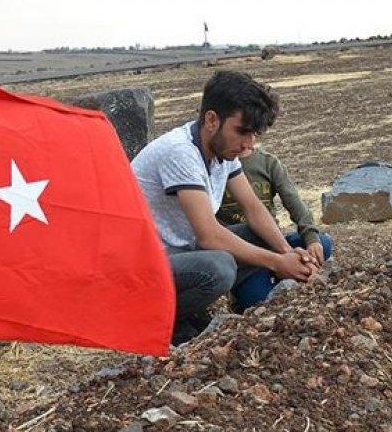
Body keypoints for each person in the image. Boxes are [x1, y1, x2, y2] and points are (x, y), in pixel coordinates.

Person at [132, 71, 319, 345]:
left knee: (270, 236)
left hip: (184, 253)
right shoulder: (180, 152)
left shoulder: (221, 149)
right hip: (143, 266)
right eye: (242, 132)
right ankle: (159, 320)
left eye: (253, 134)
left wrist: (288, 253)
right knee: (220, 268)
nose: (248, 145)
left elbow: (254, 208)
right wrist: (278, 263)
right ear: (211, 120)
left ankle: (189, 312)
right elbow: (209, 235)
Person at [215, 145, 333, 309]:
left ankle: (286, 273)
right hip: (244, 255)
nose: (248, 139)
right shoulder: (217, 165)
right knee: (255, 300)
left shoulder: (267, 162)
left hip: (273, 243)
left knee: (323, 244)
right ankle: (273, 277)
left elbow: (295, 203)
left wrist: (311, 238)